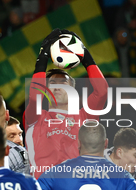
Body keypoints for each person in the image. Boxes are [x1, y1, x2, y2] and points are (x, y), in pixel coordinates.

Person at [24, 29, 108, 179]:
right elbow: (34, 97)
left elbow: (101, 91)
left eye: (63, 82)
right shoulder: (36, 117)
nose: (57, 86)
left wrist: (85, 56)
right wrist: (43, 57)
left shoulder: (85, 117)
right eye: (52, 83)